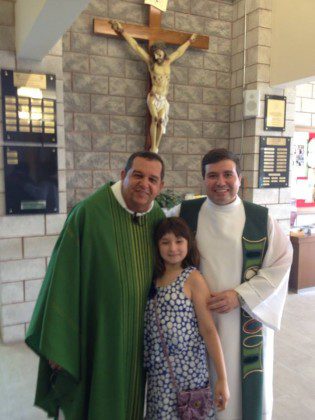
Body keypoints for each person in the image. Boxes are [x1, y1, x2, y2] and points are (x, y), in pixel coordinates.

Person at [25, 151, 166, 420]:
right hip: (97, 332)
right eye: (137, 175)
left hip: (139, 336)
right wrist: (60, 341)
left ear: (160, 186)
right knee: (97, 399)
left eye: (152, 179)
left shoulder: (156, 217)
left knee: (133, 401)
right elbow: (62, 278)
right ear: (123, 175)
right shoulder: (89, 213)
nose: (144, 184)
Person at [167, 148, 293, 420]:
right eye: (212, 175)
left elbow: (282, 261)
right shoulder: (184, 213)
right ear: (203, 179)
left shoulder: (261, 219)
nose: (220, 182)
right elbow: (158, 242)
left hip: (243, 318)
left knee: (238, 390)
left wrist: (240, 295)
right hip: (196, 321)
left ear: (240, 179)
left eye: (228, 174)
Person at [144, 217, 230, 419]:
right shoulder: (153, 280)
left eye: (179, 241)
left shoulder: (193, 278)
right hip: (159, 380)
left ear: (188, 243)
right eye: (165, 242)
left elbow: (208, 330)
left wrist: (222, 379)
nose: (173, 248)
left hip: (190, 378)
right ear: (157, 246)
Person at [110, 19, 196, 153]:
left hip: (163, 99)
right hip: (153, 97)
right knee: (155, 119)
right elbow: (136, 47)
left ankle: (156, 146)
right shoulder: (151, 63)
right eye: (155, 54)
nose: (157, 56)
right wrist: (122, 31)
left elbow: (179, 52)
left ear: (163, 52)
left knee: (161, 121)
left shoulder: (168, 62)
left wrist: (190, 41)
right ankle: (153, 148)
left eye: (159, 53)